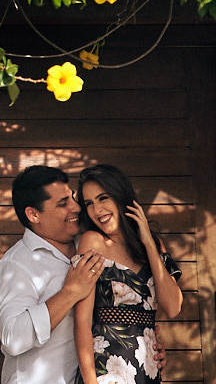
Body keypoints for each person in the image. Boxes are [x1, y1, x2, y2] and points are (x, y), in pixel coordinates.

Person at [0, 165, 106, 384]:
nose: (76, 207)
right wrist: (71, 292)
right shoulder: (16, 264)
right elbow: (13, 338)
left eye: (72, 197)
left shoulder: (91, 244)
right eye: (63, 204)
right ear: (33, 214)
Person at [72, 164, 183, 384]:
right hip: (107, 370)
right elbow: (82, 321)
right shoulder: (92, 242)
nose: (97, 210)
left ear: (120, 196)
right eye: (89, 204)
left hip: (148, 370)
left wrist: (149, 244)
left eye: (103, 198)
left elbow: (173, 307)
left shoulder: (151, 245)